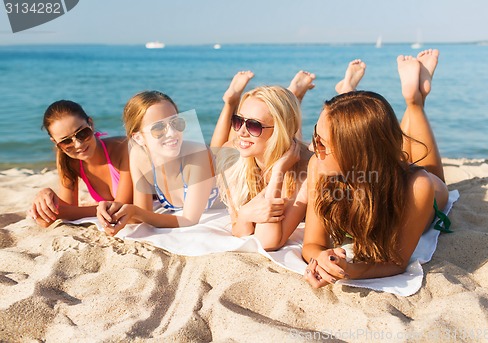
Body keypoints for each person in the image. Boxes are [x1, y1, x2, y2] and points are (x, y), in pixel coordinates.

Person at [303, 49, 450, 287]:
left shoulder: (418, 187)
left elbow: (397, 261)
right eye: (315, 136)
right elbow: (312, 244)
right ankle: (405, 95)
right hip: (382, 166)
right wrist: (321, 258)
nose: (311, 147)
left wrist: (350, 270)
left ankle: (414, 100)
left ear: (354, 153)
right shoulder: (318, 167)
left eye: (321, 143)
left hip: (429, 190)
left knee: (427, 170)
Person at [212, 70, 316, 251]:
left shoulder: (307, 169)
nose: (241, 131)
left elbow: (268, 242)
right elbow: (239, 228)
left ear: (279, 130)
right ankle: (294, 96)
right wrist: (244, 215)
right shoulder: (232, 157)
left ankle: (296, 96)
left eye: (253, 125)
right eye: (238, 121)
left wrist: (279, 173)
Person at [96, 91, 219, 235]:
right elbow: (143, 211)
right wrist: (114, 211)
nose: (172, 133)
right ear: (138, 138)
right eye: (158, 128)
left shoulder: (198, 154)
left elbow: (189, 220)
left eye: (176, 122)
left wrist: (134, 211)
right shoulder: (138, 156)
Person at [29, 100, 132, 230]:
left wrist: (59, 212)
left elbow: (121, 208)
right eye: (66, 141)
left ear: (91, 124)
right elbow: (68, 208)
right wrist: (45, 195)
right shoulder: (68, 160)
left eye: (82, 133)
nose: (78, 144)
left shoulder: (123, 148)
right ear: (56, 143)